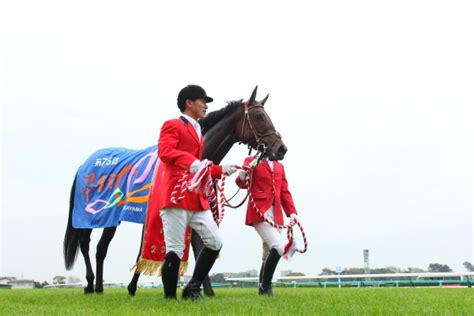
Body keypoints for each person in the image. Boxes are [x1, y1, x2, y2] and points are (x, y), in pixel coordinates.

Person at [156, 84, 237, 300]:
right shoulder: (172, 125)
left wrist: (222, 170)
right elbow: (165, 152)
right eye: (203, 101)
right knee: (175, 248)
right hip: (176, 195)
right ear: (188, 103)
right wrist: (192, 162)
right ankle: (170, 298)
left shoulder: (198, 130)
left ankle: (192, 288)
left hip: (196, 198)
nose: (206, 106)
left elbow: (200, 166)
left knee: (215, 242)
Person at [236, 155, 298, 296]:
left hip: (276, 213)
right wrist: (242, 174)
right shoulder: (252, 160)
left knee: (268, 252)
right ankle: (266, 287)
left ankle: (261, 288)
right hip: (259, 211)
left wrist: (292, 212)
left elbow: (284, 191)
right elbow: (242, 183)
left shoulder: (279, 166)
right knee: (278, 247)